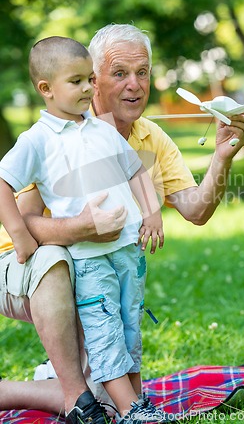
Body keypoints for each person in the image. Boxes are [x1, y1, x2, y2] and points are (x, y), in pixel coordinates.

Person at [0, 24, 244, 419]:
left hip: (95, 266)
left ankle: (79, 385)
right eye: (119, 73)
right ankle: (62, 392)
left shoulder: (146, 137)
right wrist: (78, 228)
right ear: (92, 80)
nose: (135, 85)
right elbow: (27, 222)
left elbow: (196, 211)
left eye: (143, 72)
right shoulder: (53, 139)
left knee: (117, 361)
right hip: (27, 266)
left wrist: (223, 156)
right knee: (60, 268)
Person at [0, 36, 166, 424]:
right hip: (88, 259)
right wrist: (20, 235)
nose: (89, 89)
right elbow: (2, 182)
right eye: (77, 81)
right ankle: (126, 408)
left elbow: (135, 170)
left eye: (90, 79)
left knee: (128, 324)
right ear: (46, 89)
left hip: (127, 251)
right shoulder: (36, 141)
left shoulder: (102, 129)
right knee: (102, 327)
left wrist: (152, 212)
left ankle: (135, 403)